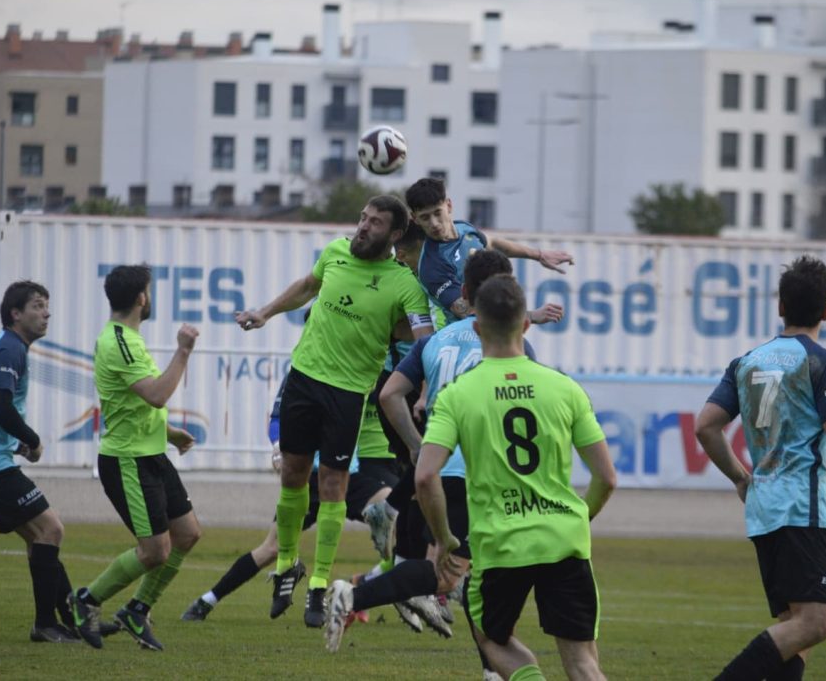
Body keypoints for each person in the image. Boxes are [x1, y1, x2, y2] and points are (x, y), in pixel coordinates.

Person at [381, 274, 617, 680]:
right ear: (526, 325)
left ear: (476, 326)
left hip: (499, 542)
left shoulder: (460, 393)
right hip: (564, 538)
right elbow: (607, 478)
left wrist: (443, 539)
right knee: (582, 662)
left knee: (491, 639)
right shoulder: (564, 388)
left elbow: (424, 477)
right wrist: (580, 515)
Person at [235, 195, 433, 628]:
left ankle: (320, 584)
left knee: (332, 488)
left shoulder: (404, 283)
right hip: (304, 380)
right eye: (362, 218)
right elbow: (308, 285)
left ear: (395, 235)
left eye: (375, 223)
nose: (363, 227)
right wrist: (264, 313)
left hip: (346, 394)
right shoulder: (336, 251)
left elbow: (423, 338)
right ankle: (287, 566)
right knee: (292, 478)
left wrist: (424, 384)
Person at [695, 255, 826, 681]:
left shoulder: (747, 361)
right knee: (815, 623)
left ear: (780, 306)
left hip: (764, 506)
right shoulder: (822, 361)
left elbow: (706, 427)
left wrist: (740, 477)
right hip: (801, 506)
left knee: (793, 627)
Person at [180, 375, 394, 623]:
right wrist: (278, 446)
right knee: (270, 548)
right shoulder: (302, 373)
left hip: (346, 477)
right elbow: (277, 417)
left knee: (398, 518)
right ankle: (207, 600)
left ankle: (364, 589)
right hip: (307, 480)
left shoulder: (362, 368)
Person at [68, 264, 202, 651]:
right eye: (150, 290)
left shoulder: (126, 338)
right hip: (127, 460)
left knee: (188, 534)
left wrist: (169, 432)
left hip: (151, 453)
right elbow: (157, 393)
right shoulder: (119, 342)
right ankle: (86, 601)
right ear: (142, 297)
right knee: (154, 551)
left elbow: (134, 402)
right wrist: (183, 351)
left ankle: (137, 610)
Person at [0, 281, 80, 643]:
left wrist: (8, 443)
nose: (47, 313)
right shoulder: (11, 349)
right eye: (38, 306)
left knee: (41, 537)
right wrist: (33, 442)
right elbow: (1, 407)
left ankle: (71, 621)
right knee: (52, 529)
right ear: (16, 314)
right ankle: (45, 625)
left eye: (47, 306)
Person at [405, 177, 570, 326]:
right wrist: (531, 316)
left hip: (497, 333)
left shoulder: (464, 228)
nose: (434, 223)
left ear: (448, 206)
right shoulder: (432, 266)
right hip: (467, 339)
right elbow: (467, 311)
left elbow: (492, 243)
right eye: (425, 217)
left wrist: (539, 255)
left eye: (437, 213)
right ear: (415, 219)